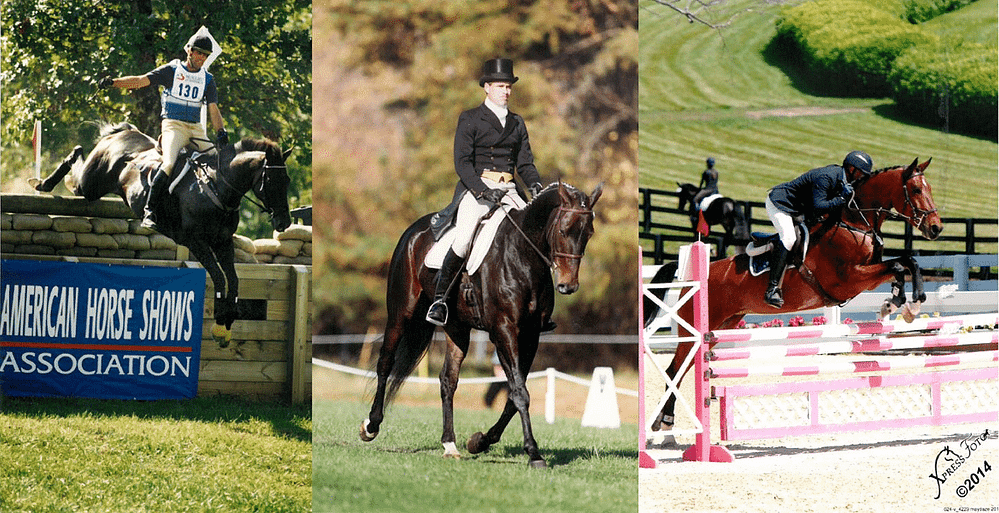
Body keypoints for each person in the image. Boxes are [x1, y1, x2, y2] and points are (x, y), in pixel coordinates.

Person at [425, 58, 545, 327]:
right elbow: (462, 163)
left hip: (510, 189)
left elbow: (525, 163)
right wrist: (481, 191)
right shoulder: (470, 118)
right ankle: (441, 300)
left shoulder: (517, 122)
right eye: (501, 86)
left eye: (509, 87)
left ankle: (540, 305)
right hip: (478, 187)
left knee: (535, 236)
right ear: (487, 88)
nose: (506, 91)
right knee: (465, 236)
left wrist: (534, 185)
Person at [99, 33, 228, 231]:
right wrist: (114, 82)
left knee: (216, 162)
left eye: (205, 55)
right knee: (168, 163)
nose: (202, 58)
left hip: (195, 128)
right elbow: (141, 80)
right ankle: (150, 210)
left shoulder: (208, 79)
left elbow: (213, 109)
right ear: (189, 51)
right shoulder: (172, 70)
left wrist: (221, 132)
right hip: (173, 125)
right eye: (199, 53)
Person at [763, 151, 873, 307]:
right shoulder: (826, 177)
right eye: (861, 173)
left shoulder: (846, 180)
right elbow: (819, 206)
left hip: (801, 209)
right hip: (781, 204)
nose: (862, 177)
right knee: (789, 238)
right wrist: (841, 198)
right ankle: (772, 289)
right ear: (851, 168)